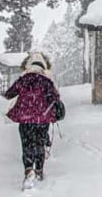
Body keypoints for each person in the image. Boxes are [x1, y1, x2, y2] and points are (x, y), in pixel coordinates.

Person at [4, 51, 62, 189]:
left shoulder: (23, 80)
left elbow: (8, 94)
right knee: (40, 143)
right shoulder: (47, 81)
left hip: (25, 119)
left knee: (27, 144)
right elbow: (55, 98)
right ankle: (39, 170)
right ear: (43, 67)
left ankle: (28, 169)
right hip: (42, 119)